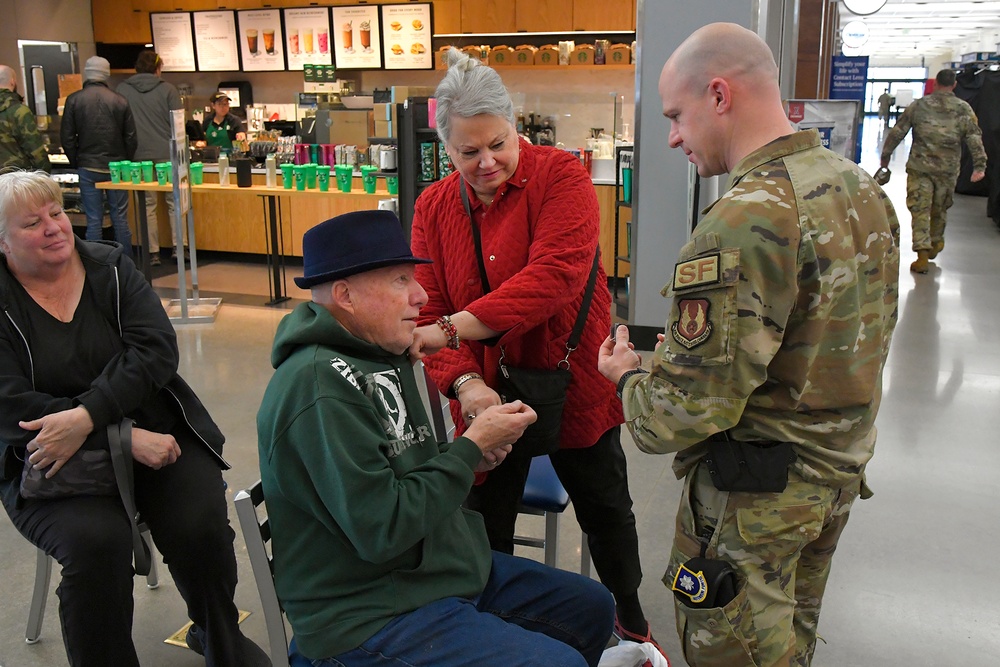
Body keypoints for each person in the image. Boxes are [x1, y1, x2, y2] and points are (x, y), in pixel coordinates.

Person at [598, 23, 899, 667]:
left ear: (719, 95)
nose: (673, 135)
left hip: (756, 501)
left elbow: (673, 418)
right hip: (834, 477)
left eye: (677, 115)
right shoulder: (859, 188)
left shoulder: (743, 221)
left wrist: (626, 376)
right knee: (789, 644)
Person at [256, 210, 615, 667]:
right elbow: (382, 529)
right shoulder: (319, 390)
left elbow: (397, 474)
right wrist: (466, 452)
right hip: (364, 612)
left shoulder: (383, 355)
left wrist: (472, 455)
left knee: (592, 608)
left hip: (427, 570)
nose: (421, 295)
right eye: (400, 280)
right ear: (345, 295)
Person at [407, 47, 664, 654]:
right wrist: (467, 386)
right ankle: (496, 629)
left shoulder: (562, 177)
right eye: (469, 152)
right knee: (481, 520)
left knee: (605, 507)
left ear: (515, 128)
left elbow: (555, 278)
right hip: (489, 391)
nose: (487, 162)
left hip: (574, 383)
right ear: (447, 149)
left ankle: (629, 612)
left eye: (498, 143)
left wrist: (451, 330)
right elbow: (425, 303)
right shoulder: (433, 207)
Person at [0, 169, 267, 667]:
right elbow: (9, 404)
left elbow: (156, 351)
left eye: (57, 213)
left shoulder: (109, 267)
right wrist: (117, 437)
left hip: (152, 430)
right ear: (2, 241)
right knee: (96, 544)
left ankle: (217, 636)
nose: (54, 227)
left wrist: (89, 415)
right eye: (32, 223)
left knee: (200, 522)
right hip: (48, 462)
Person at [880, 68, 987, 273]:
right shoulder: (963, 108)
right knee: (940, 207)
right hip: (947, 170)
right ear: (954, 85)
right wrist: (979, 166)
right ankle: (933, 244)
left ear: (935, 83)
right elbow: (974, 137)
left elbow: (898, 131)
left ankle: (923, 252)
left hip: (920, 167)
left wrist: (885, 156)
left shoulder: (919, 105)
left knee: (919, 208)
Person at [60, 56, 138, 256]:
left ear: (88, 72)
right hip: (116, 167)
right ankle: (125, 264)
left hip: (88, 166)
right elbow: (131, 138)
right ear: (106, 73)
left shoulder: (74, 100)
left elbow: (67, 138)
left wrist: (77, 161)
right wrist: (124, 162)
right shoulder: (120, 100)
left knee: (93, 219)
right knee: (120, 218)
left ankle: (95, 264)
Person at [117, 50, 184, 266]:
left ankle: (152, 251)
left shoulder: (122, 90)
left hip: (138, 156)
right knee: (175, 202)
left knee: (147, 204)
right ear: (157, 68)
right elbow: (179, 125)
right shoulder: (168, 90)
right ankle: (179, 248)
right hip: (168, 154)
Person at [0, 64, 51, 172]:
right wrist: (44, 175)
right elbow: (34, 149)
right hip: (15, 179)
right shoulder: (18, 111)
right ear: (12, 82)